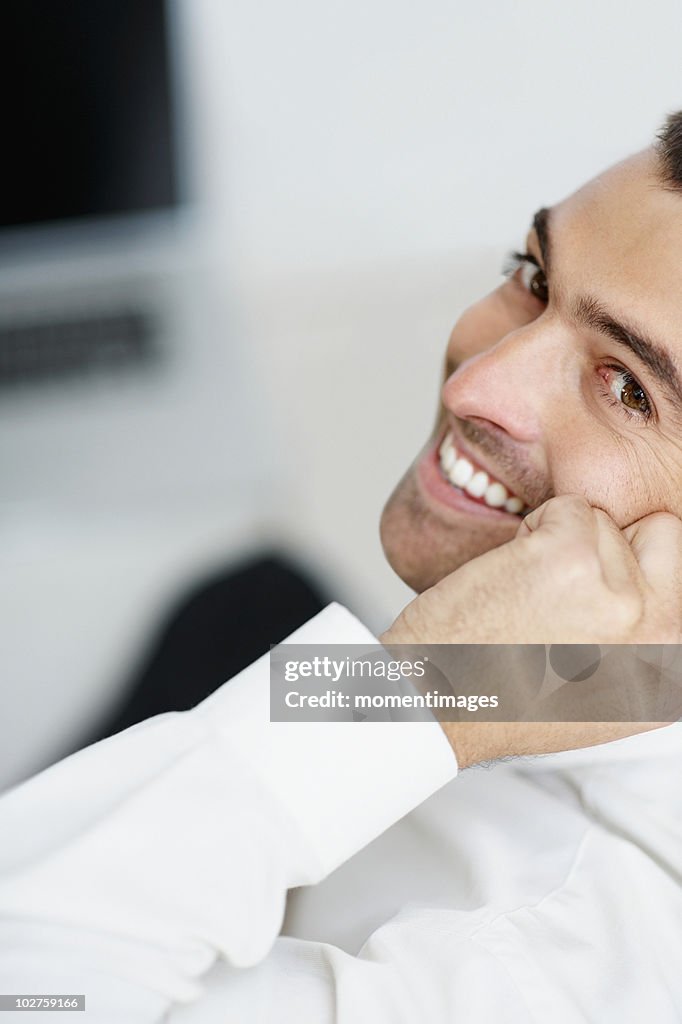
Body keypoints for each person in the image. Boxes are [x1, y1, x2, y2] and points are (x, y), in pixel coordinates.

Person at [2, 117, 682, 1022]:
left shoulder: (517, 974)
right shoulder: (607, 691)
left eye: (628, 386)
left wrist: (427, 686)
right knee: (249, 604)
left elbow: (28, 971)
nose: (472, 384)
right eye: (534, 278)